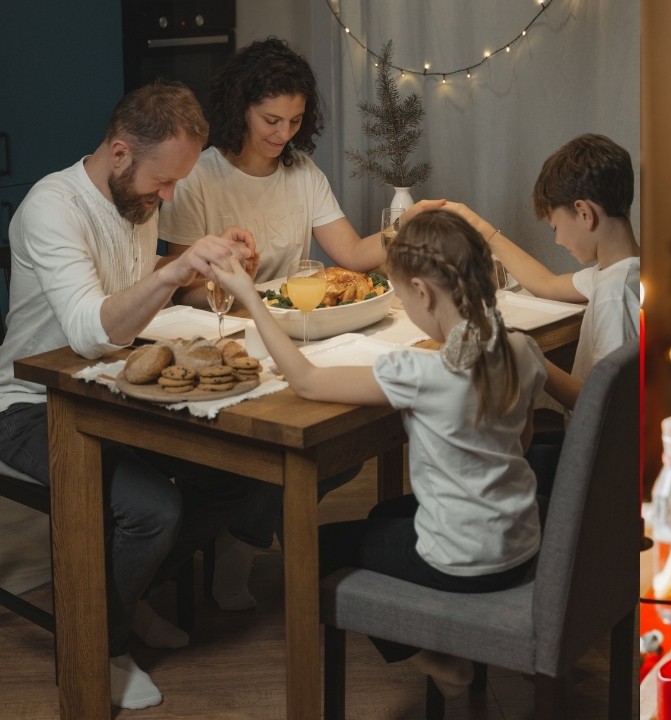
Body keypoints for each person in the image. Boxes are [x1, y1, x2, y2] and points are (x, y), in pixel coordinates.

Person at [0, 81, 260, 710]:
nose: (169, 197)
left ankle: (124, 596)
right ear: (120, 154)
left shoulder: (136, 202)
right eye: (163, 182)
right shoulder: (51, 206)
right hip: (30, 405)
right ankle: (99, 645)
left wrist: (214, 273)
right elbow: (93, 332)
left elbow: (139, 302)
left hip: (111, 393)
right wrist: (175, 269)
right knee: (154, 511)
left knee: (236, 476)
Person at [211, 208, 546, 696]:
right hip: (520, 542)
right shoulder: (520, 350)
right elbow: (524, 442)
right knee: (387, 511)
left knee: (321, 546)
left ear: (424, 292)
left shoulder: (425, 373)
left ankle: (433, 657)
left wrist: (249, 295)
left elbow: (305, 381)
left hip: (462, 562)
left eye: (404, 297)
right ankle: (446, 636)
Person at [157, 37, 393, 611]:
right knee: (286, 451)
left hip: (292, 336)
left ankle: (240, 533)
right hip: (226, 336)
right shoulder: (200, 175)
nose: (282, 133)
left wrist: (403, 230)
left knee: (345, 447)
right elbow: (181, 283)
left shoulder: (301, 171)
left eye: (294, 120)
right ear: (240, 106)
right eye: (271, 119)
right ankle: (236, 543)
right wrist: (227, 270)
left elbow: (350, 253)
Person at [431, 133, 641, 410]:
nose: (558, 241)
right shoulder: (625, 272)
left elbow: (601, 404)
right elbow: (547, 284)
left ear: (584, 213)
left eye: (555, 228)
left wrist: (529, 357)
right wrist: (479, 226)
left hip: (583, 450)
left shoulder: (613, 295)